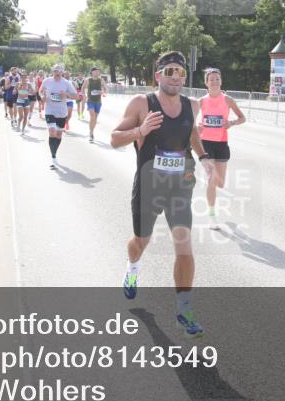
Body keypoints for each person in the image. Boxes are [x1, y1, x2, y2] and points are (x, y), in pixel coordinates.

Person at [110, 51, 217, 339]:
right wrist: (139, 129)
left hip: (180, 186)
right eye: (169, 71)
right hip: (148, 186)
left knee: (184, 246)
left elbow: (191, 133)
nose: (175, 77)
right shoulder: (142, 103)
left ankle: (184, 309)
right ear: (158, 75)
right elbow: (114, 138)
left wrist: (204, 157)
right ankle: (132, 267)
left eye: (179, 72)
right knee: (140, 241)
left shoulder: (192, 105)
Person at [198, 68, 246, 226]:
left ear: (221, 81)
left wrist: (231, 123)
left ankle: (212, 190)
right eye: (211, 79)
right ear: (206, 83)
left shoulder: (227, 100)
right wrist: (197, 127)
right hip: (206, 144)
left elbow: (242, 118)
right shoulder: (202, 101)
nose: (214, 82)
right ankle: (212, 215)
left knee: (220, 183)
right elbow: (189, 120)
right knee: (212, 179)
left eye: (217, 79)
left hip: (222, 144)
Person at [41, 65, 78, 168]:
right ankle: (53, 157)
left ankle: (54, 153)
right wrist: (42, 96)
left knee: (58, 135)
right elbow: (40, 91)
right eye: (55, 71)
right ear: (52, 71)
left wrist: (66, 95)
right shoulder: (47, 81)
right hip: (50, 110)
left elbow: (76, 96)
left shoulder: (67, 83)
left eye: (59, 71)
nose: (57, 73)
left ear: (62, 72)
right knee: (52, 131)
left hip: (62, 112)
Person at [85, 66, 107, 143]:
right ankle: (91, 134)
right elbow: (83, 88)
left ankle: (92, 131)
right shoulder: (88, 80)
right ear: (92, 72)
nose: (98, 73)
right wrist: (84, 96)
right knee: (92, 115)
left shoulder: (101, 80)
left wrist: (103, 93)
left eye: (98, 71)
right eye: (96, 71)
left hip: (98, 101)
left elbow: (105, 88)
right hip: (90, 101)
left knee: (95, 119)